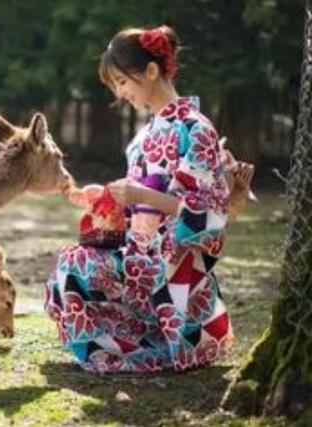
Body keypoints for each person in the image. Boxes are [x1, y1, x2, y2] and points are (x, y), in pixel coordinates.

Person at [44, 25, 254, 373]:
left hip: (174, 266)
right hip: (137, 255)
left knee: (78, 267)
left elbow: (211, 214)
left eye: (123, 82)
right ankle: (124, 345)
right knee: (70, 264)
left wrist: (142, 195)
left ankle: (165, 344)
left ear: (152, 71)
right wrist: (109, 196)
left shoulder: (196, 129)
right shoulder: (144, 136)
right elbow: (138, 201)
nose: (119, 92)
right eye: (114, 85)